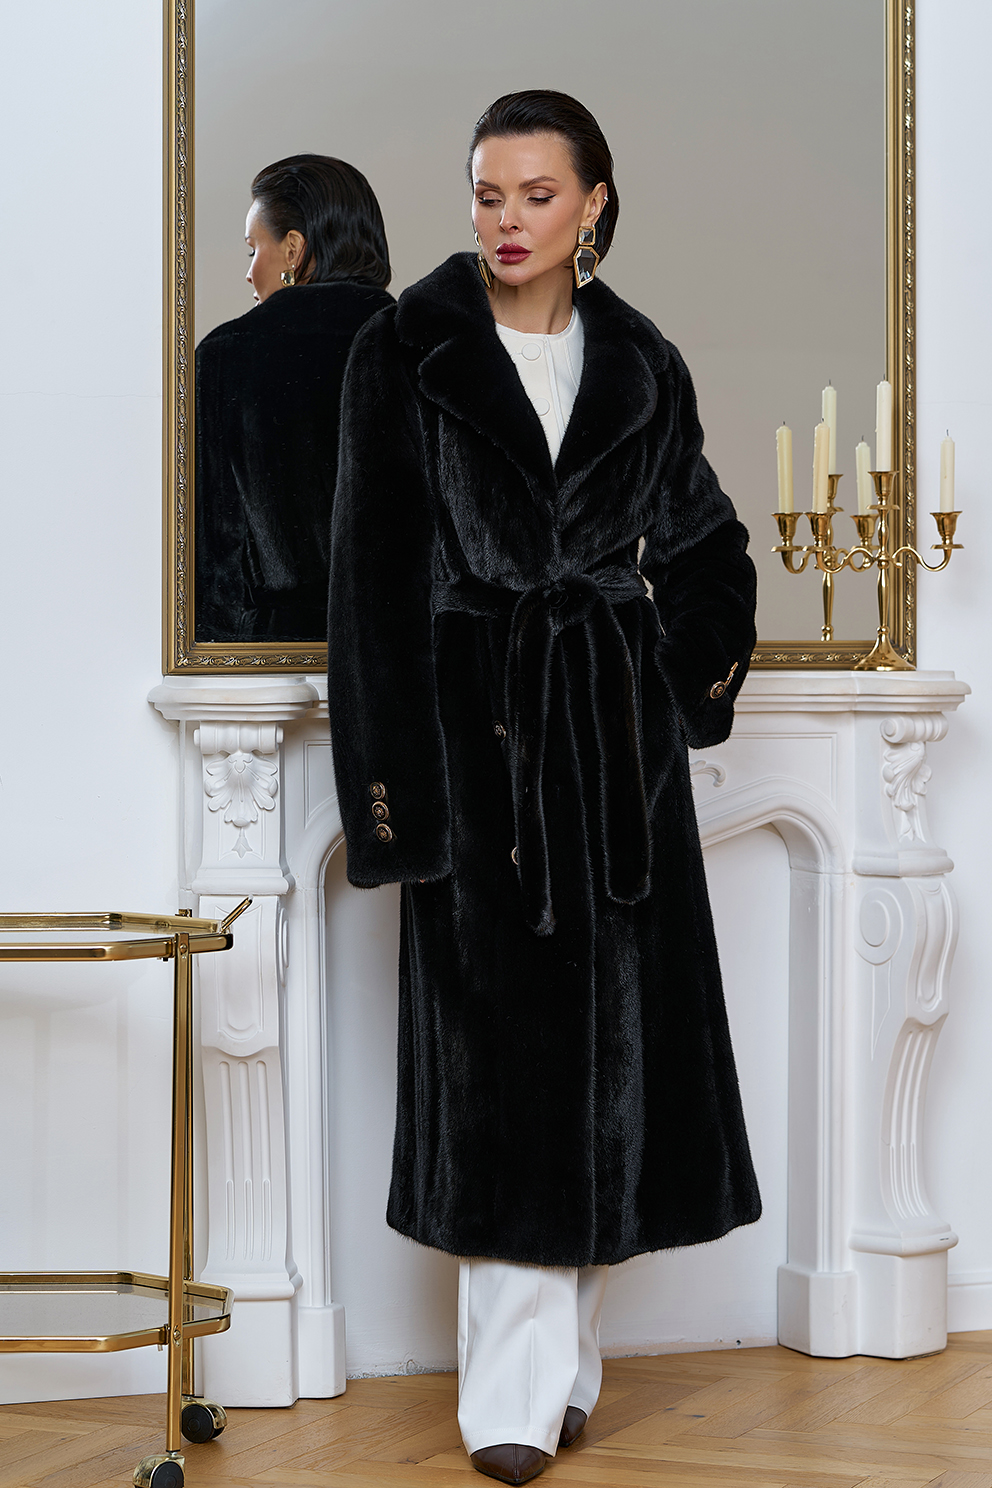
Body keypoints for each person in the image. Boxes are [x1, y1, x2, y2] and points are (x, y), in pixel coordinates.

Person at [327, 91, 761, 1486]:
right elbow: (369, 583)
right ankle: (506, 1397)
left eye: (534, 194)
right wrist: (394, 799)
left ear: (593, 204)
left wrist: (675, 680)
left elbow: (704, 544)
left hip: (616, 760)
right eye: (485, 193)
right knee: (501, 1072)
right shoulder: (406, 348)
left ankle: (566, 1365)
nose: (504, 221)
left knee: (610, 1069)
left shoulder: (642, 360)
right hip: (478, 748)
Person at [195, 154, 393, 642]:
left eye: (252, 250)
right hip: (404, 651)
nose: (249, 272)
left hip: (274, 655)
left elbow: (214, 546)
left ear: (293, 249)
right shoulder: (427, 342)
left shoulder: (225, 355)